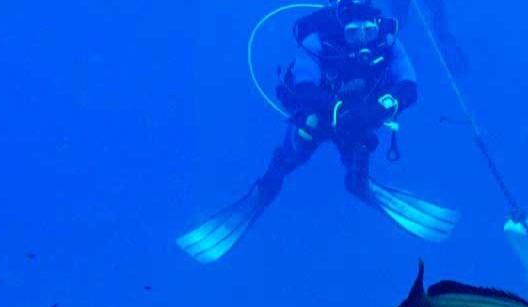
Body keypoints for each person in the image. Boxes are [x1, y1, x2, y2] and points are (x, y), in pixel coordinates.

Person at [178, 0, 458, 264]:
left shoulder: (387, 41)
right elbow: (304, 84)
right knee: (292, 153)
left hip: (358, 123)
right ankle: (262, 193)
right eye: (354, 32)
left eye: (368, 31)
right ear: (340, 28)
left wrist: (376, 110)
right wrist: (337, 110)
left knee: (358, 159)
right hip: (319, 119)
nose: (362, 40)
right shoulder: (318, 41)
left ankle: (360, 184)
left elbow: (408, 86)